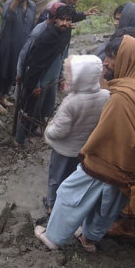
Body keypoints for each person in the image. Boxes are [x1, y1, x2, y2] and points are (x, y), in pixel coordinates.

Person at [35, 36, 135, 252]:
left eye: (112, 58)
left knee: (69, 193)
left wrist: (87, 156)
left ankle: (53, 237)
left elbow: (105, 134)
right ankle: (89, 240)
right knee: (107, 205)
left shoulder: (122, 97)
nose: (106, 62)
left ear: (125, 59)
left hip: (109, 159)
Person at [42, 54, 109, 212]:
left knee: (56, 177)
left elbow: (60, 131)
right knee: (72, 177)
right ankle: (67, 202)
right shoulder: (105, 96)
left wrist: (48, 130)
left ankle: (51, 204)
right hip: (84, 148)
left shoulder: (71, 102)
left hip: (64, 150)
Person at [15, 5, 74, 148]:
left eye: (68, 20)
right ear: (54, 19)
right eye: (61, 19)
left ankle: (35, 129)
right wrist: (36, 84)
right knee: (29, 109)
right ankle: (20, 140)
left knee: (46, 107)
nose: (64, 23)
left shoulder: (66, 34)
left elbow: (63, 56)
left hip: (53, 79)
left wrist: (62, 76)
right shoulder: (45, 37)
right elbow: (34, 63)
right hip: (38, 80)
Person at [0, 0, 36, 113]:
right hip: (7, 45)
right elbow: (6, 16)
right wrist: (16, 1)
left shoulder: (32, 6)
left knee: (14, 73)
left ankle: (3, 96)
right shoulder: (10, 4)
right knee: (1, 72)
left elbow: (32, 25)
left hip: (22, 46)